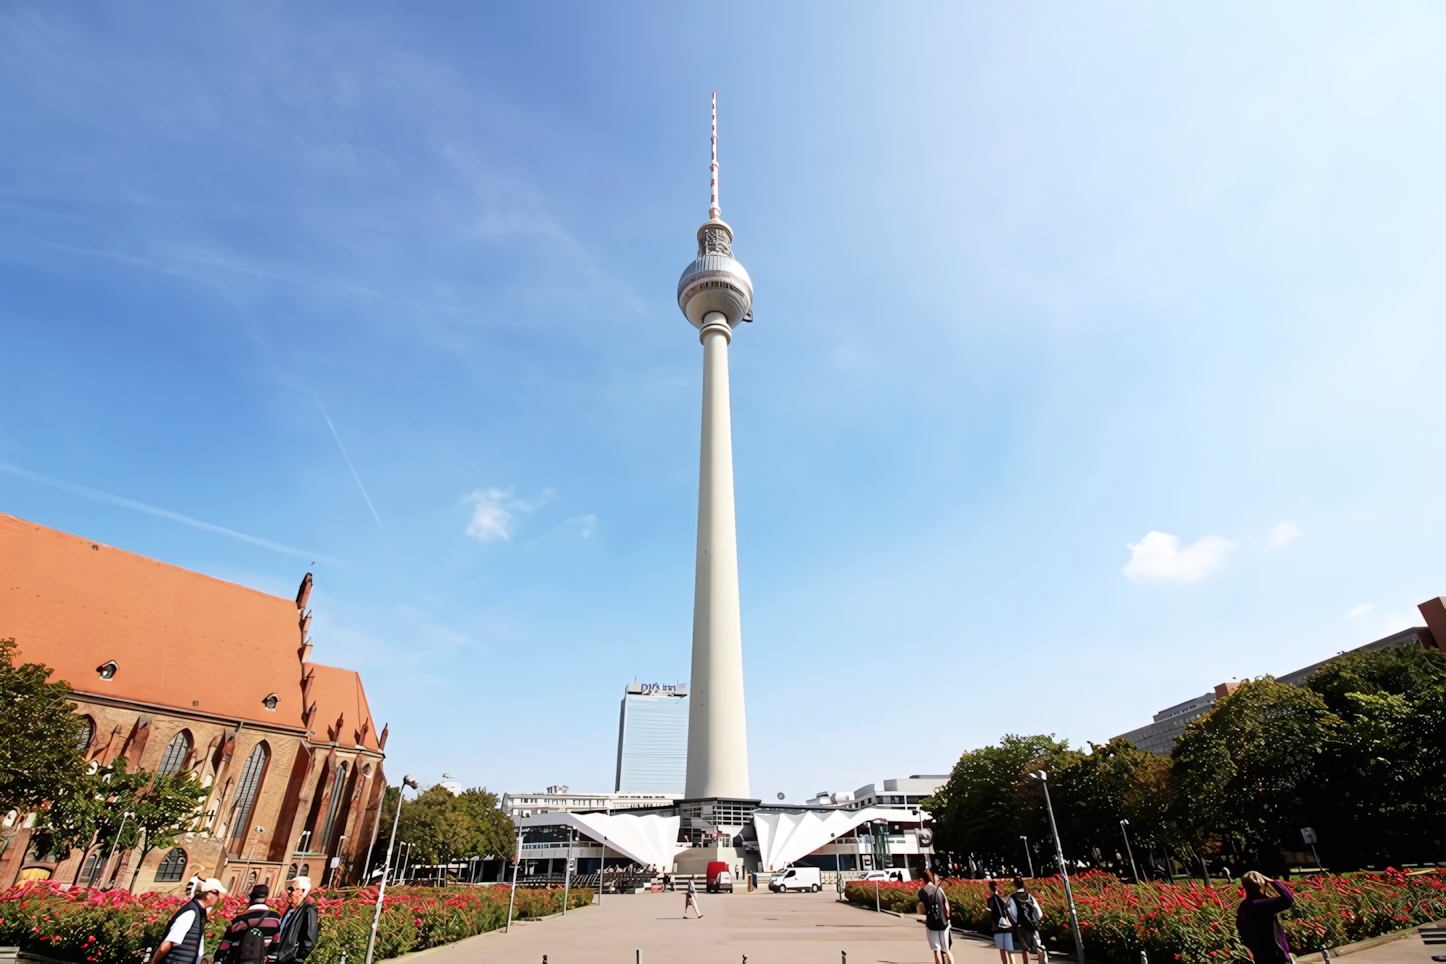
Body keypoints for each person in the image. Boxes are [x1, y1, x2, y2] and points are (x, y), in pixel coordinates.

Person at [151, 878, 227, 964]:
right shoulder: (190, 913)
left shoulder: (199, 912)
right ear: (209, 895)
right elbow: (167, 944)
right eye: (217, 893)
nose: (218, 898)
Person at [1236, 871, 1295, 964]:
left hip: (1260, 955)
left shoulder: (1243, 906)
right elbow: (1288, 899)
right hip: (1276, 955)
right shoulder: (1263, 905)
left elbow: (1241, 929)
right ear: (1261, 885)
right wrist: (1272, 881)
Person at [216, 883, 282, 964]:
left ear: (250, 899)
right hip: (261, 960)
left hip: (241, 960)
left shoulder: (242, 918)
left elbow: (226, 942)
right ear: (266, 898)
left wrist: (218, 959)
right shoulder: (275, 918)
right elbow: (276, 941)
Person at [274, 876, 319, 964]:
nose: (291, 893)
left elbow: (309, 939)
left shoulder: (309, 911)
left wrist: (299, 958)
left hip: (290, 958)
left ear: (303, 892)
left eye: (295, 890)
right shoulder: (290, 909)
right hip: (279, 956)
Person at [915, 868, 954, 964]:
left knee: (937, 950)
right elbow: (947, 908)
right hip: (944, 923)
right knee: (946, 950)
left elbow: (921, 909)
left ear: (923, 880)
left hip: (931, 924)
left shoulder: (922, 893)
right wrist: (947, 917)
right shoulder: (939, 889)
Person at [1009, 877, 1046, 964]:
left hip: (1021, 926)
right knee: (1038, 946)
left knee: (1024, 949)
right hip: (1032, 926)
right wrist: (1034, 920)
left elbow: (1012, 913)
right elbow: (1039, 913)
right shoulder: (1030, 896)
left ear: (1014, 885)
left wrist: (1015, 924)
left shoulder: (1013, 898)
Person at [986, 879, 1017, 964]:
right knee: (1010, 950)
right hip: (1008, 926)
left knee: (1002, 950)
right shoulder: (1005, 899)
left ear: (990, 888)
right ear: (998, 887)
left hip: (998, 927)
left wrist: (993, 925)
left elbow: (990, 913)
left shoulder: (991, 900)